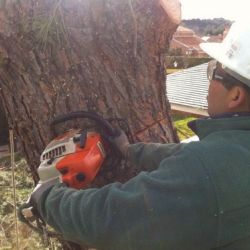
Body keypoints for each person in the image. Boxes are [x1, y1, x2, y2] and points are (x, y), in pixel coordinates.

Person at [29, 19, 250, 250]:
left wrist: (46, 196)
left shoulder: (207, 170)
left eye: (214, 71)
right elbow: (188, 154)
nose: (209, 80)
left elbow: (112, 219)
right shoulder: (232, 152)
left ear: (236, 96)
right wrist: (129, 151)